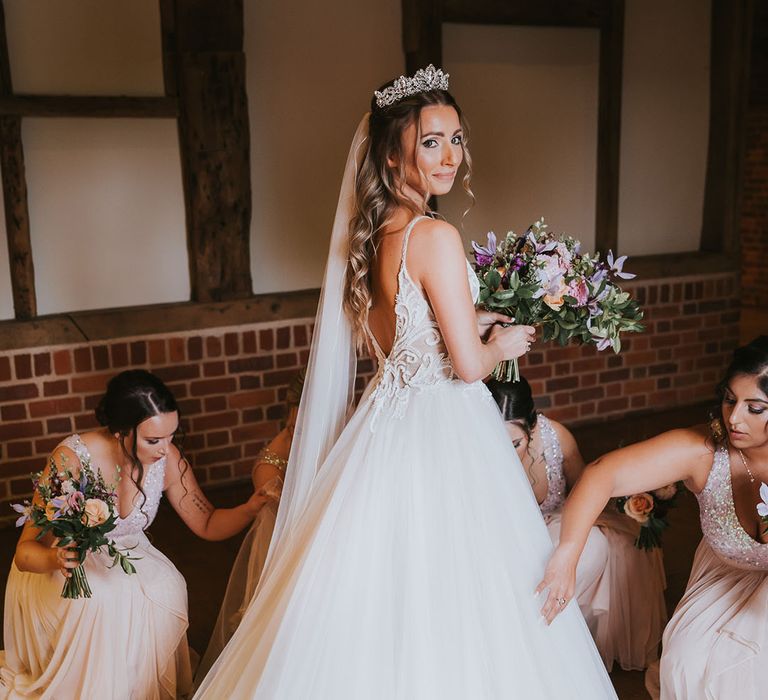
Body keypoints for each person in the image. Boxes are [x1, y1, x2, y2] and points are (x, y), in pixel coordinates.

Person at [194, 65, 616, 699]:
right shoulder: (436, 235)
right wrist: (498, 342)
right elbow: (468, 369)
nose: (450, 156)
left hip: (383, 420)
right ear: (393, 156)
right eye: (430, 141)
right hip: (445, 427)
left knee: (377, 581)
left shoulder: (370, 238)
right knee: (464, 577)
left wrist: (466, 320)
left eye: (456, 139)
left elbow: (395, 340)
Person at [0, 369, 271, 699]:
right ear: (120, 432)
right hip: (59, 562)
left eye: (172, 436)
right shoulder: (72, 459)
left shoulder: (166, 457)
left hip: (126, 552)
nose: (165, 449)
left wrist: (249, 508)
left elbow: (208, 522)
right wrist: (56, 557)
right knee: (100, 600)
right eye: (154, 440)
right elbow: (25, 553)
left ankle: (139, 689)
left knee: (169, 585)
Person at [539, 336, 768, 699]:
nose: (734, 417)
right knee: (685, 664)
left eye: (755, 408)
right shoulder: (703, 450)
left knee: (750, 663)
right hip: (725, 575)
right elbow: (602, 474)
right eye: (729, 399)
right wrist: (567, 553)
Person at [488, 377, 667, 671]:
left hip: (558, 524)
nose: (506, 452)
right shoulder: (472, 449)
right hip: (504, 540)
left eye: (515, 443)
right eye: (497, 441)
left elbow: (585, 487)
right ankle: (528, 647)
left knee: (601, 547)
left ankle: (566, 641)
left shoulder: (556, 436)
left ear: (532, 426)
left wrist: (627, 502)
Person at [196, 370, 304, 682]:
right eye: (293, 428)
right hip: (287, 546)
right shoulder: (271, 464)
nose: (299, 435)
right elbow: (299, 522)